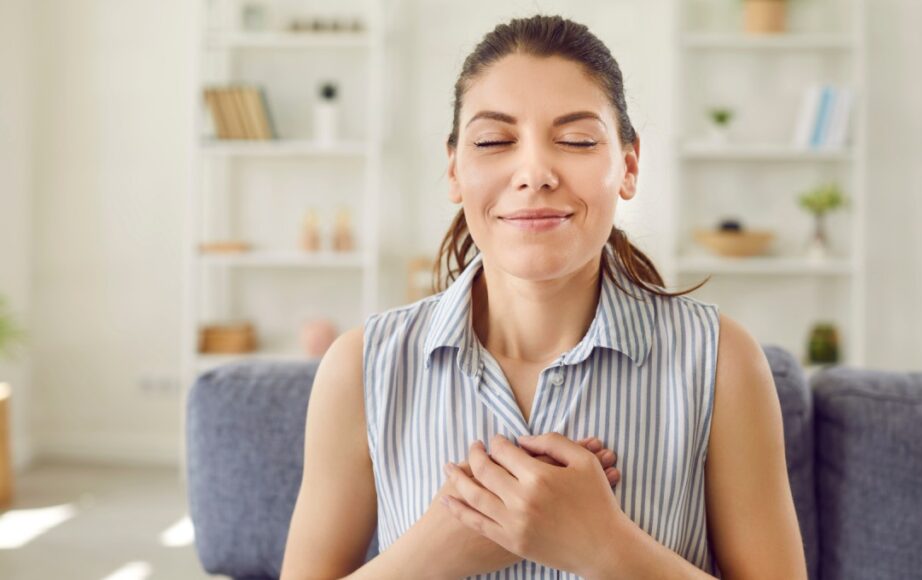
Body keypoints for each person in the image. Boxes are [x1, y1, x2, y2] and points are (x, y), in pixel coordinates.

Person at [281, 14, 806, 580]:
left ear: (628, 166)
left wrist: (604, 546)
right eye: (493, 141)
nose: (534, 172)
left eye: (576, 140)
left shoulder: (721, 360)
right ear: (455, 168)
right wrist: (437, 549)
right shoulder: (362, 367)